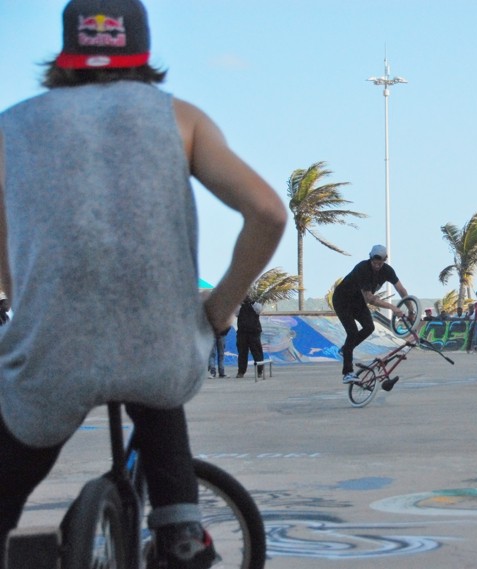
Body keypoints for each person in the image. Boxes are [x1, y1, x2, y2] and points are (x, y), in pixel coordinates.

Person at [0, 1, 287, 567]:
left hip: (53, 346)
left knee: (7, 478)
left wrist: (18, 300)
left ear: (66, 55)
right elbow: (269, 213)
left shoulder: (11, 127)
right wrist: (220, 305)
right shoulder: (181, 119)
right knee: (159, 381)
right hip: (159, 345)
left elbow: (4, 249)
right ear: (142, 52)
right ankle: (181, 530)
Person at [332, 245, 413, 384]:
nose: (376, 265)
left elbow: (400, 289)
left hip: (357, 301)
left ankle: (346, 349)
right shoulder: (362, 268)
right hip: (342, 299)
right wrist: (393, 307)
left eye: (380, 263)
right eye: (374, 262)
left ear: (385, 260)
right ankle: (347, 373)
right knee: (352, 332)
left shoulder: (387, 271)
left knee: (369, 327)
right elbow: (370, 298)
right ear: (370, 258)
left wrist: (411, 309)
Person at [235, 297, 265, 378]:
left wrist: (252, 302)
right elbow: (236, 313)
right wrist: (240, 303)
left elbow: (259, 310)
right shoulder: (239, 306)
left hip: (254, 333)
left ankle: (259, 371)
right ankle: (241, 372)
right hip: (242, 333)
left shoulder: (255, 305)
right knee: (242, 353)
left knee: (257, 352)